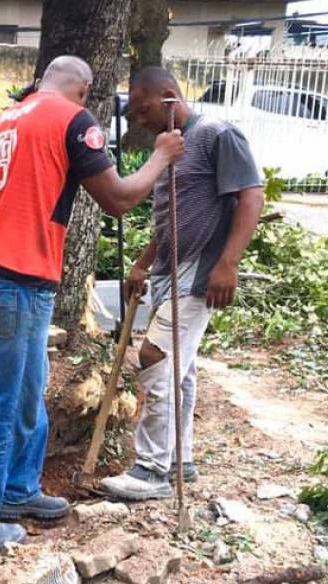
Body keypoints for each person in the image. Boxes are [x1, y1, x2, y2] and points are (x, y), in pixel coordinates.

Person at [0, 56, 185, 553]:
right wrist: (161, 156)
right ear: (84, 89)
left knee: (30, 387)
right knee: (5, 403)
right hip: (17, 281)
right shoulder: (73, 120)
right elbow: (118, 199)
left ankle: (17, 490)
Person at [100, 67, 263, 501]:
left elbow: (251, 196)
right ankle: (178, 459)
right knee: (181, 368)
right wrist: (141, 263)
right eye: (134, 115)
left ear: (170, 97)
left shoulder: (216, 134)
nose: (140, 121)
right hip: (171, 267)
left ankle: (151, 469)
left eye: (144, 110)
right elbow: (176, 212)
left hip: (202, 267)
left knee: (155, 354)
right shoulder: (170, 147)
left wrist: (228, 264)